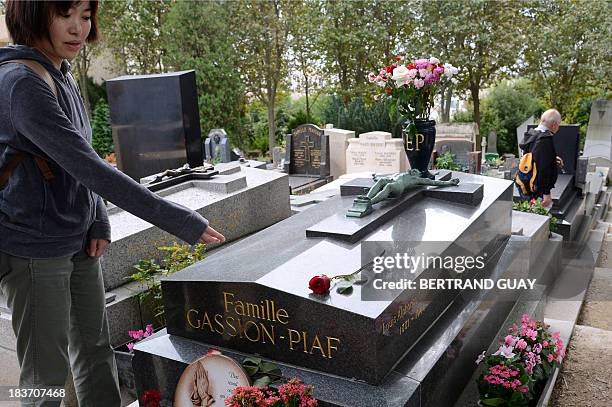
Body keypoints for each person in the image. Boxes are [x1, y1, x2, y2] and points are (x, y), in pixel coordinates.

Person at [0, 1, 225, 406]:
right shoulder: (20, 81)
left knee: (94, 350)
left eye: (85, 16)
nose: (77, 28)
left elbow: (76, 156)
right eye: (64, 15)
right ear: (32, 14)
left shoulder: (60, 72)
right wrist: (180, 220)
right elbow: (90, 166)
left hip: (78, 238)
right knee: (44, 371)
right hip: (34, 248)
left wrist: (99, 220)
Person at [519, 109, 564, 208]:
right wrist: (546, 194)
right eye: (558, 124)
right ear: (554, 125)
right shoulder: (545, 140)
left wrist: (552, 158)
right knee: (538, 218)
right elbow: (543, 169)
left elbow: (533, 157)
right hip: (538, 190)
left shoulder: (531, 134)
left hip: (526, 183)